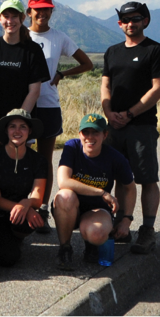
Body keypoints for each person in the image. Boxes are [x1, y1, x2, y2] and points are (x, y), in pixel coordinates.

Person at [101, 1, 160, 255]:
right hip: (114, 124)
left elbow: (158, 88)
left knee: (147, 178)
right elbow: (105, 86)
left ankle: (148, 231)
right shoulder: (112, 51)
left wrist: (130, 114)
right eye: (126, 20)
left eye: (136, 19)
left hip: (141, 125)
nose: (131, 23)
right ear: (120, 24)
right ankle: (121, 225)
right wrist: (109, 113)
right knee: (121, 176)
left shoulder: (155, 50)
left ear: (145, 21)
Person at [26, 0, 93, 233]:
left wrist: (62, 74)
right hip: (24, 104)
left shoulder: (59, 37)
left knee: (44, 161)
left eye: (47, 9)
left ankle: (42, 210)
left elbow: (88, 63)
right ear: (29, 12)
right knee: (21, 159)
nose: (42, 13)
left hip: (48, 104)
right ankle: (23, 208)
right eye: (37, 9)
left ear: (52, 11)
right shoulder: (21, 35)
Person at [52, 114, 137, 270]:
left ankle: (92, 244)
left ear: (105, 135)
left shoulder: (115, 157)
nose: (90, 137)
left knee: (96, 234)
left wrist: (126, 220)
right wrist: (101, 192)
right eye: (86, 132)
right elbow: (63, 181)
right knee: (64, 195)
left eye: (95, 132)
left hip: (97, 209)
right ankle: (65, 248)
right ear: (79, 134)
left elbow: (130, 188)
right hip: (71, 207)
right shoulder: (72, 147)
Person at [0, 0, 49, 152]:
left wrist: (17, 127)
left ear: (22, 18)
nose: (10, 21)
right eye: (6, 16)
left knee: (20, 172)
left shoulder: (33, 50)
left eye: (14, 16)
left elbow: (34, 91)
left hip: (22, 129)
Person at [0, 109, 47, 267]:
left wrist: (27, 204)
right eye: (12, 126)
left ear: (29, 131)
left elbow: (37, 198)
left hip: (19, 214)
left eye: (23, 127)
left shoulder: (38, 160)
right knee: (9, 258)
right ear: (6, 130)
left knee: (33, 221)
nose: (17, 131)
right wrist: (24, 206)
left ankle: (16, 238)